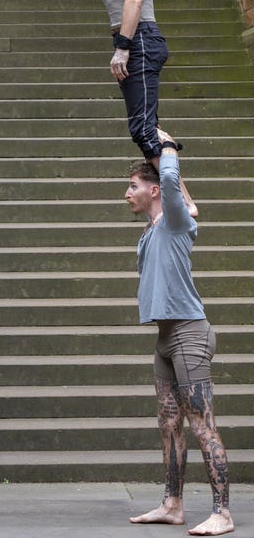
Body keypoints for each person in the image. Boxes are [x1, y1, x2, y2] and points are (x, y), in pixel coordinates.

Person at [125, 130, 234, 537]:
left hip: (189, 334)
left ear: (154, 191)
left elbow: (174, 189)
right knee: (169, 423)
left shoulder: (172, 220)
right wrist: (155, 160)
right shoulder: (157, 228)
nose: (126, 194)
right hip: (165, 338)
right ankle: (172, 504)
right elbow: (190, 204)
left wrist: (166, 146)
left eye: (133, 187)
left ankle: (222, 512)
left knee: (202, 425)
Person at [75, 0, 196, 213]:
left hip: (139, 39)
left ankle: (183, 205)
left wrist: (123, 46)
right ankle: (186, 202)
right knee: (146, 127)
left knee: (143, 129)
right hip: (133, 38)